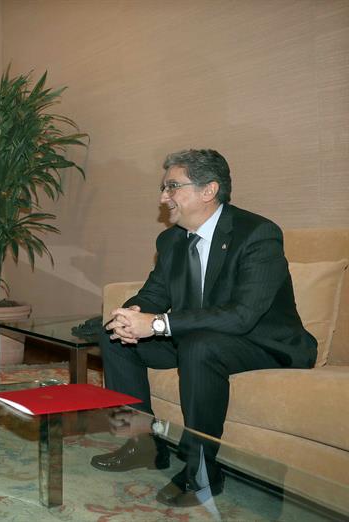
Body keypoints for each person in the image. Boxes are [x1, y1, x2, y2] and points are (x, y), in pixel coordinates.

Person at [90, 149, 316, 507]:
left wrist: (160, 323)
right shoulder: (171, 240)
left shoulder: (257, 233)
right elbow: (154, 293)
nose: (164, 198)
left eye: (172, 187)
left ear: (208, 190)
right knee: (113, 336)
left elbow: (242, 316)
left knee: (198, 345)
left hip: (263, 343)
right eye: (165, 188)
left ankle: (203, 468)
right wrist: (131, 315)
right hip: (198, 336)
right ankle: (141, 443)